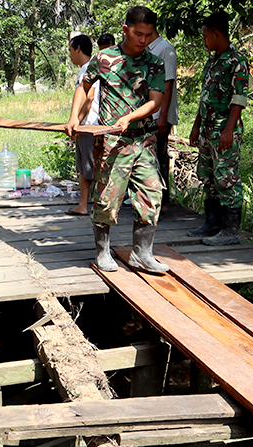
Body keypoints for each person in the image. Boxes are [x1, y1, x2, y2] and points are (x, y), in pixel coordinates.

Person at [65, 6, 168, 273]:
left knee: (152, 193)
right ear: (126, 30)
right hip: (112, 143)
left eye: (148, 35)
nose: (143, 40)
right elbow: (83, 86)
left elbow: (155, 102)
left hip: (143, 141)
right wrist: (74, 117)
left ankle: (142, 253)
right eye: (138, 33)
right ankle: (102, 252)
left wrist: (129, 118)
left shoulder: (154, 63)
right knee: (106, 198)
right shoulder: (103, 58)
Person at [188, 12, 250, 245]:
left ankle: (230, 231)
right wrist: (196, 126)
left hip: (224, 131)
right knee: (208, 177)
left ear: (217, 34)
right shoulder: (212, 61)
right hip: (207, 130)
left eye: (205, 36)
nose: (204, 41)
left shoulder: (236, 61)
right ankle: (212, 224)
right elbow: (204, 97)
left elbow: (239, 98)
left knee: (227, 178)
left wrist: (228, 130)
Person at [66, 35, 99, 216]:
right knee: (84, 167)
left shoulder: (89, 69)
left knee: (87, 167)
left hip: (89, 126)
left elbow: (89, 98)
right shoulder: (88, 68)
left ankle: (85, 205)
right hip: (86, 125)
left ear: (78, 49)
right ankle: (84, 204)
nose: (70, 55)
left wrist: (76, 121)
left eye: (71, 51)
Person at [147, 31, 178, 209]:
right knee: (150, 158)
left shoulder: (165, 49)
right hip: (149, 113)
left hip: (159, 115)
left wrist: (164, 116)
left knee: (158, 159)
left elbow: (169, 82)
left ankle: (162, 203)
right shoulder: (149, 49)